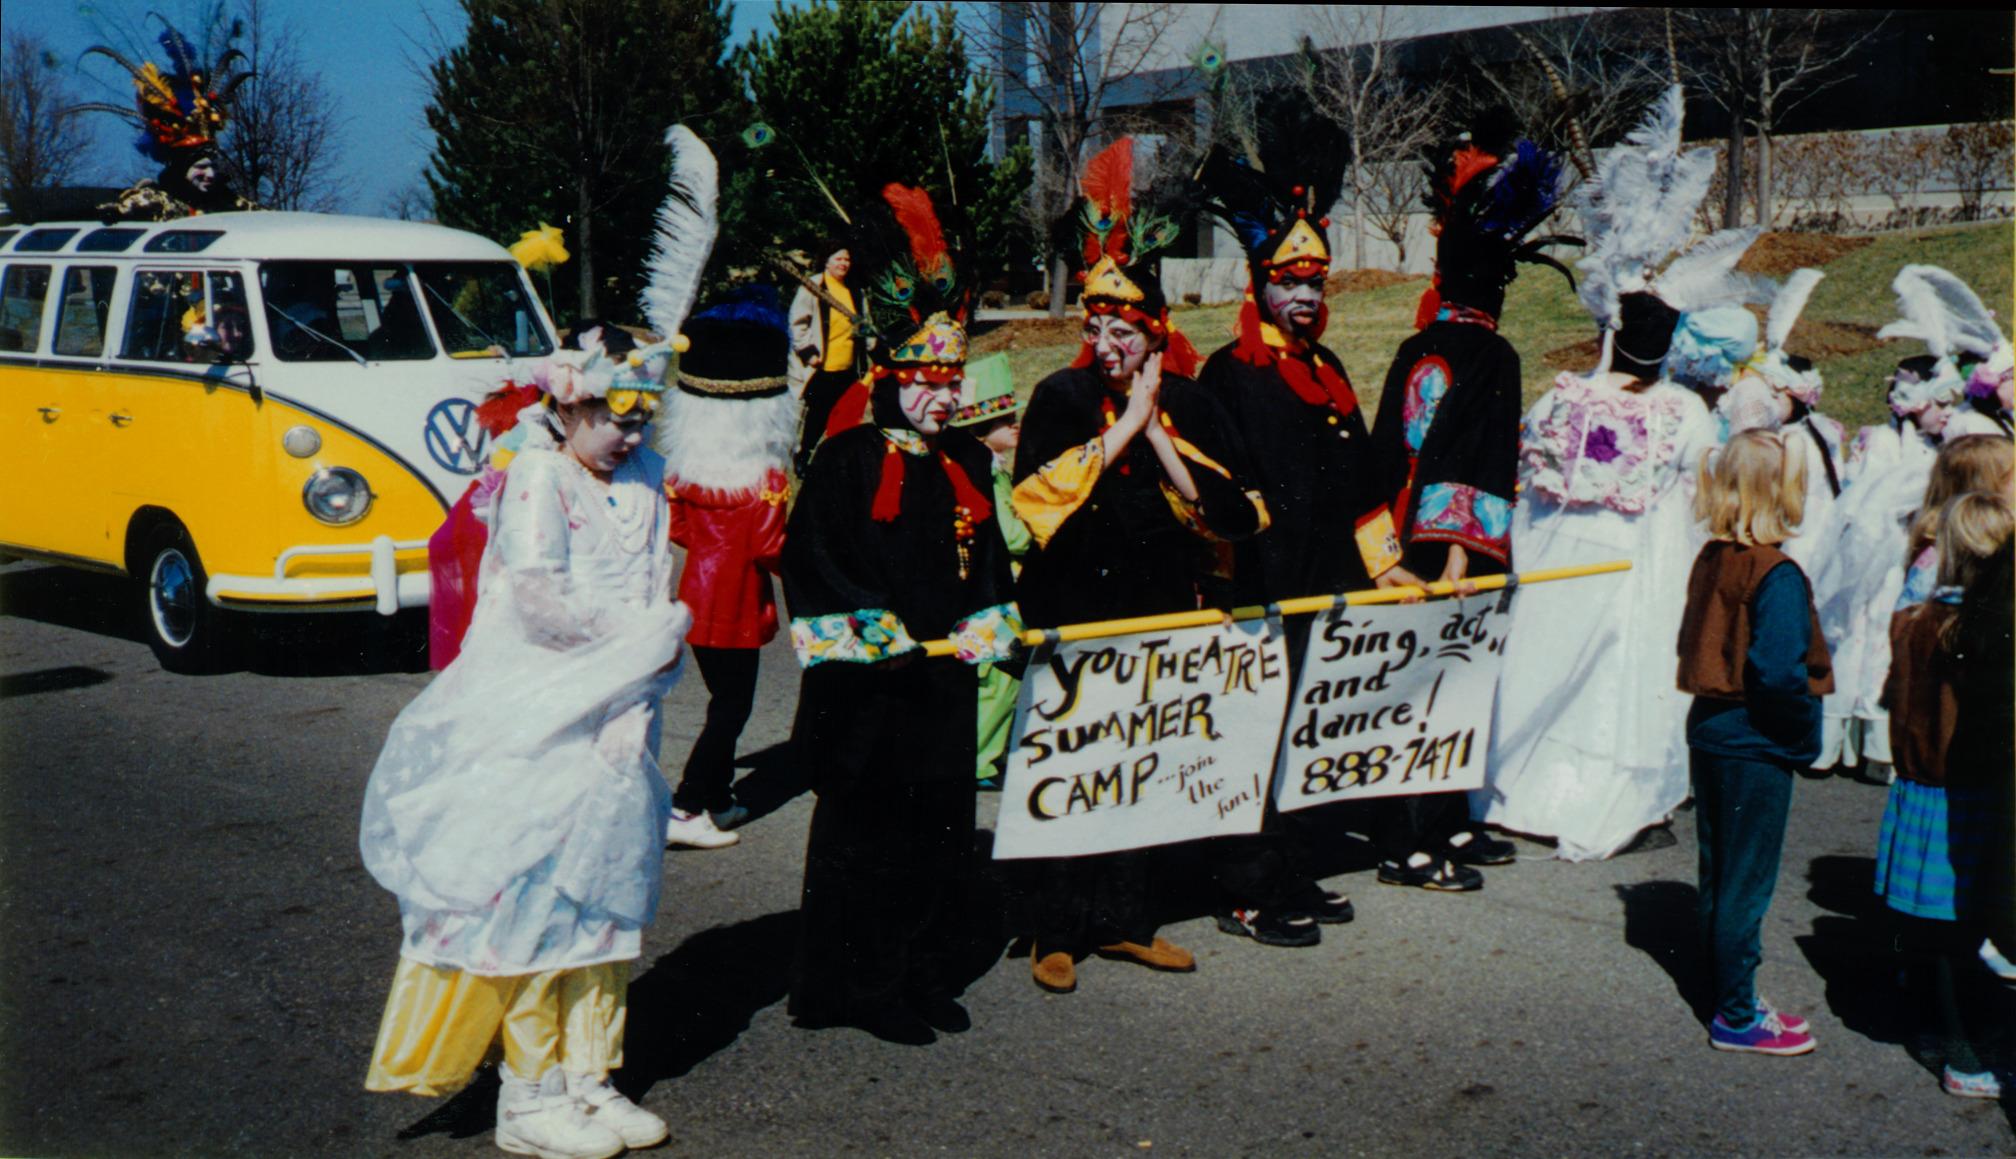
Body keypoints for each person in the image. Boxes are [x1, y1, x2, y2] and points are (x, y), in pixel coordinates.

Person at [361, 124, 713, 1159]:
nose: (630, 435)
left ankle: (591, 1072)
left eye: (643, 418)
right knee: (540, 901)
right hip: (539, 709)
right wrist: (640, 639)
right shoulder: (541, 479)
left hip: (619, 715)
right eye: (613, 416)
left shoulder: (644, 481)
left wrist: (643, 682)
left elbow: (653, 577)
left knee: (610, 903)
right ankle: (528, 1090)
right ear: (567, 410)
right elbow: (543, 598)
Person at [1011, 137, 1271, 985]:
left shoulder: (1187, 402)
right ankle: (1055, 928)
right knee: (1076, 760)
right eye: (1096, 326)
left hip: (1160, 606)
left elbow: (1239, 511)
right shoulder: (1061, 397)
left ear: (1153, 333)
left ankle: (1126, 918)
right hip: (1073, 608)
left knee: (1135, 765)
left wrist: (1157, 429)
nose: (1108, 340)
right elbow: (1040, 501)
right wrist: (1121, 426)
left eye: (1123, 328)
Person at [782, 183, 1019, 1045]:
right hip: (870, 697)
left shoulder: (963, 460)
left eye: (954, 380)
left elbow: (987, 557)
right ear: (892, 374)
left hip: (943, 691)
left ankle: (918, 969)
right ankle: (852, 984)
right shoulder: (847, 457)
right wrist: (874, 636)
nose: (945, 396)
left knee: (938, 841)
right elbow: (811, 563)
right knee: (863, 844)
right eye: (929, 380)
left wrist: (991, 619)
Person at [1482, 87, 1742, 862]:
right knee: (1608, 678)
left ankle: (1520, 785)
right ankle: (1596, 793)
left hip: (1560, 568)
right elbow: (1704, 499)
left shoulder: (1559, 400)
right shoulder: (1682, 413)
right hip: (1628, 570)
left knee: (1552, 665)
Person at [1192, 95, 1399, 932]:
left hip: (1323, 594)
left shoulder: (1333, 367)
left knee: (1303, 738)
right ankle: (1245, 887)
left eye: (1316, 283)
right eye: (1290, 282)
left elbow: (1359, 490)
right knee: (1251, 740)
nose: (1306, 297)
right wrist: (1218, 595)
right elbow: (1206, 497)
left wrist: (1390, 566)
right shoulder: (1227, 374)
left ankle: (1291, 868)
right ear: (1259, 284)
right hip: (1254, 602)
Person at [1363, 119, 1573, 887]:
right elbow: (1476, 461)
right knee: (1446, 679)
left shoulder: (1415, 347)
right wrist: (1457, 554)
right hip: (1455, 550)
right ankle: (1412, 834)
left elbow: (1395, 451)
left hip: (1402, 542)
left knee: (1411, 683)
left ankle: (1441, 820)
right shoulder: (1494, 354)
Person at [1677, 429, 1830, 1056]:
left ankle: (1726, 992)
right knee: (1747, 881)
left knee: (1720, 872)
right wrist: (1798, 735)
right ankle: (1737, 1013)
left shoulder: (1712, 556)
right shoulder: (1778, 573)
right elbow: (1776, 671)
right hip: (1754, 740)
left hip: (1709, 729)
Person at [1876, 491, 2013, 1098]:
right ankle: (1959, 1048)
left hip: (1918, 783)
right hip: (1962, 790)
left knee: (1932, 924)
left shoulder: (1914, 618)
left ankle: (1933, 1017)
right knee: (1962, 924)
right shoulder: (1972, 631)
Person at [657, 290, 798, 849]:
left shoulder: (688, 471)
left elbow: (680, 530)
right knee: (732, 709)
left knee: (725, 701)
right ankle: (688, 802)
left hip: (696, 596)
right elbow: (770, 547)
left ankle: (716, 798)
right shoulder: (764, 479)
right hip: (736, 602)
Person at [947, 352, 1030, 787]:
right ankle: (979, 759)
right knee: (1002, 673)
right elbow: (1011, 535)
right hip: (998, 585)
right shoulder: (988, 472)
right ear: (981, 430)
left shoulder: (987, 466)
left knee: (996, 673)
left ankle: (980, 755)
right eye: (1005, 419)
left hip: (989, 583)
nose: (1015, 424)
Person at [84, 24, 261, 220]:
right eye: (201, 167)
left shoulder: (230, 204)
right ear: (181, 169)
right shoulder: (155, 202)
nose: (210, 174)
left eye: (213, 167)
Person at [791, 242, 865, 474]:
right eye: (838, 259)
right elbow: (797, 323)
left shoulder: (855, 290)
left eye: (847, 260)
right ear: (827, 261)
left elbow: (865, 325)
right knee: (817, 417)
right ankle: (804, 456)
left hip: (849, 367)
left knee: (847, 416)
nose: (843, 264)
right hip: (823, 367)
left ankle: (840, 460)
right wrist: (809, 352)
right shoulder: (813, 287)